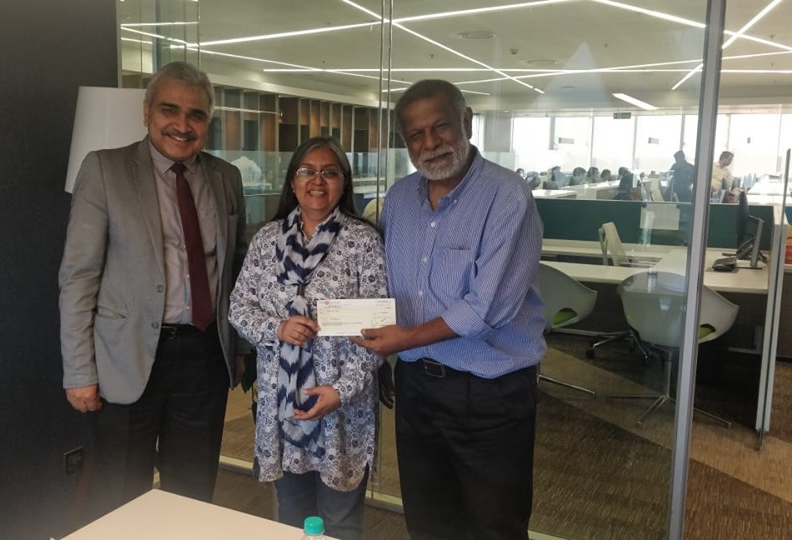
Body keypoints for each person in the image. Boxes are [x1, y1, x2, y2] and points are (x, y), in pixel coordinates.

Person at [351, 80, 545, 539]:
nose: (430, 143)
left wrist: (404, 340)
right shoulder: (399, 199)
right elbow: (383, 287)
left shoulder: (507, 196)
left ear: (467, 122)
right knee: (428, 521)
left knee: (493, 526)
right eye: (416, 135)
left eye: (440, 127)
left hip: (490, 392)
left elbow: (487, 308)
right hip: (416, 388)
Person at [58, 61, 248, 524]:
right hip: (125, 358)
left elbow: (237, 271)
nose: (183, 124)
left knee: (193, 490)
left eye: (196, 114)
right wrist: (79, 371)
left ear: (207, 122)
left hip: (204, 355)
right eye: (169, 110)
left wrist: (240, 348)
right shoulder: (105, 169)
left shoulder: (225, 177)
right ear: (146, 113)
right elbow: (78, 277)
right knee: (121, 494)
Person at [229, 137, 387, 540]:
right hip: (284, 403)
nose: (318, 180)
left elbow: (378, 329)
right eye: (307, 171)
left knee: (340, 521)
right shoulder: (267, 240)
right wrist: (277, 328)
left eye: (329, 172)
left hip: (341, 405)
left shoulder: (363, 241)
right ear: (292, 181)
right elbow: (238, 307)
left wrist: (340, 391)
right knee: (292, 516)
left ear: (343, 182)